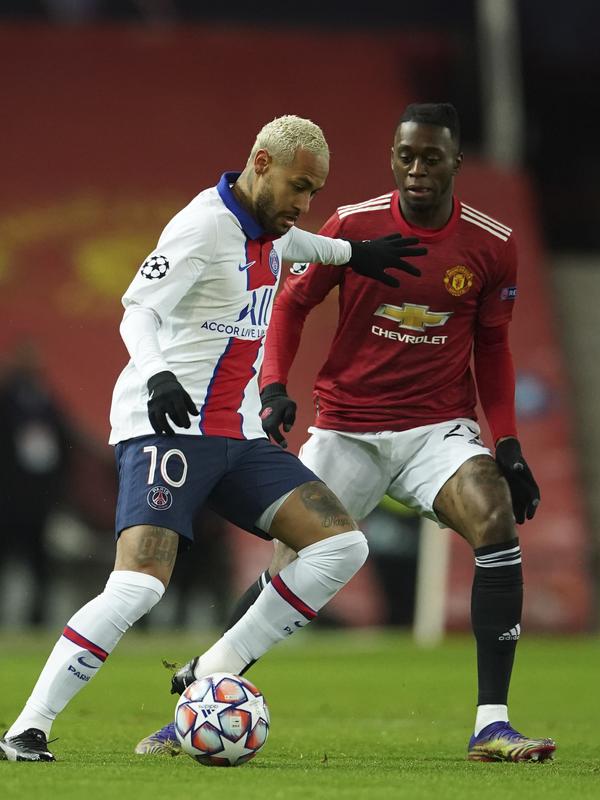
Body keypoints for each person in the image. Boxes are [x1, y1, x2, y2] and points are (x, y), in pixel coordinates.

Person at [136, 103, 556, 763]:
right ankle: (197, 695)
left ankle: (492, 724)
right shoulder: (352, 227)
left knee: (495, 520)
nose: (417, 169)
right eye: (406, 156)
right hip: (347, 428)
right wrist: (273, 386)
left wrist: (506, 445)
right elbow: (291, 307)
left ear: (455, 163)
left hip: (436, 429)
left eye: (431, 158)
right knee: (291, 565)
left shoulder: (490, 243)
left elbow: (494, 351)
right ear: (394, 158)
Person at [0, 114, 426, 762]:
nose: (303, 203)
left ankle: (214, 666)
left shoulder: (270, 230)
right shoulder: (203, 227)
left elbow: (301, 245)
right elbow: (137, 309)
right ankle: (27, 728)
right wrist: (161, 374)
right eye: (298, 186)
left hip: (239, 435)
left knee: (342, 547)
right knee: (140, 586)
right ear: (260, 162)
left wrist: (356, 254)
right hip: (166, 429)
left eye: (313, 191)